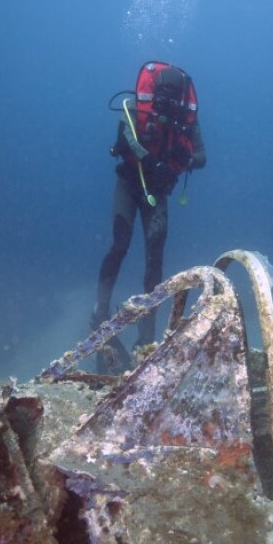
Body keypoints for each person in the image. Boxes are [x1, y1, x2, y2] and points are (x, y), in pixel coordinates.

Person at [91, 61, 206, 374]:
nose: (166, 101)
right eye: (162, 94)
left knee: (155, 257)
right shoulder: (135, 109)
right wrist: (149, 160)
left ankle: (146, 332)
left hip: (158, 194)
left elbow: (202, 156)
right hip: (129, 184)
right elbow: (125, 139)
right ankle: (100, 310)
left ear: (181, 97)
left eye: (173, 96)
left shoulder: (186, 120)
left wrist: (183, 160)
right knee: (120, 244)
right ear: (154, 91)